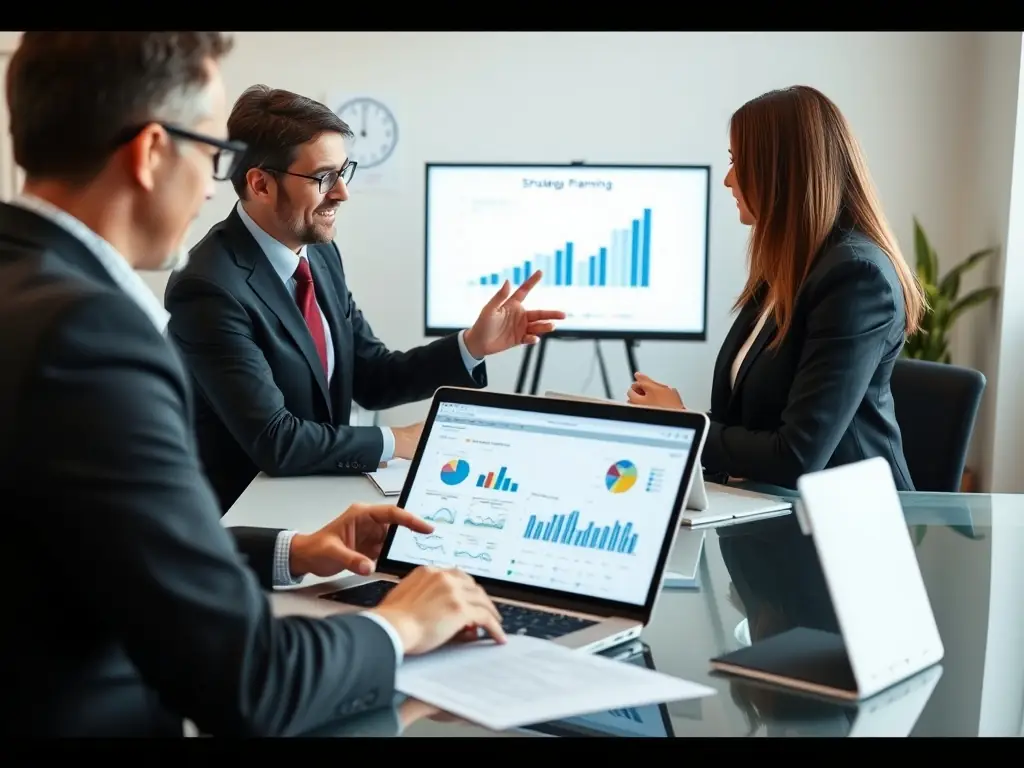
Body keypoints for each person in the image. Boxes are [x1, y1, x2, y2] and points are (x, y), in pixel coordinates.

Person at [0, 31, 505, 739]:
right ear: (150, 153)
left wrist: (289, 550)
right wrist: (399, 627)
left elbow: (97, 540)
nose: (213, 183)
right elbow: (247, 679)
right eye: (211, 155)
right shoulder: (92, 337)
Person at [164, 86, 565, 512]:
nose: (342, 192)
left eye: (343, 172)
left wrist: (472, 346)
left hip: (319, 495)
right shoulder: (208, 286)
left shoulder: (319, 253)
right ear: (261, 184)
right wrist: (401, 440)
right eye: (323, 177)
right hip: (247, 521)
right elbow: (276, 441)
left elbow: (373, 376)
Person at [627, 85, 923, 491]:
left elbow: (796, 456)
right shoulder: (788, 266)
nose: (729, 179)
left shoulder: (855, 277)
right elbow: (748, 421)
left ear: (780, 170)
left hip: (844, 528)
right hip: (767, 511)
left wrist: (685, 427)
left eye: (738, 162)